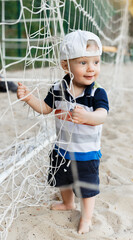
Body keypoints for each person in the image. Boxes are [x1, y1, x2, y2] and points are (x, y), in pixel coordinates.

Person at [17, 30, 109, 234]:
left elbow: (102, 115)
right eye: (83, 63)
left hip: (86, 152)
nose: (91, 68)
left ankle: (86, 218)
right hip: (62, 148)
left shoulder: (96, 92)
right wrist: (29, 98)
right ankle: (68, 204)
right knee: (62, 179)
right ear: (66, 65)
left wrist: (88, 117)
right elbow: (45, 108)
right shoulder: (58, 88)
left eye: (96, 62)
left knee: (87, 188)